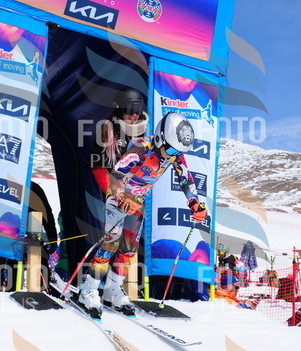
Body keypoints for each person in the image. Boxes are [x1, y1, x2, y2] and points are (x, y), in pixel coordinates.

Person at [76, 112, 207, 318]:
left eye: (177, 152)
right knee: (110, 244)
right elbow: (116, 175)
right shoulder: (140, 148)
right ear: (160, 137)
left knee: (129, 249)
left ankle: (113, 288)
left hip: (137, 204)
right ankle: (89, 289)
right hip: (117, 201)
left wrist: (195, 203)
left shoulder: (175, 155)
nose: (172, 155)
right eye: (170, 149)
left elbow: (186, 179)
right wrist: (121, 196)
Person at [90, 88, 148, 198]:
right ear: (120, 110)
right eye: (129, 110)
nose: (134, 115)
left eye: (138, 110)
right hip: (116, 189)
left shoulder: (147, 131)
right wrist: (112, 191)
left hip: (139, 189)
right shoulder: (107, 131)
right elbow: (99, 167)